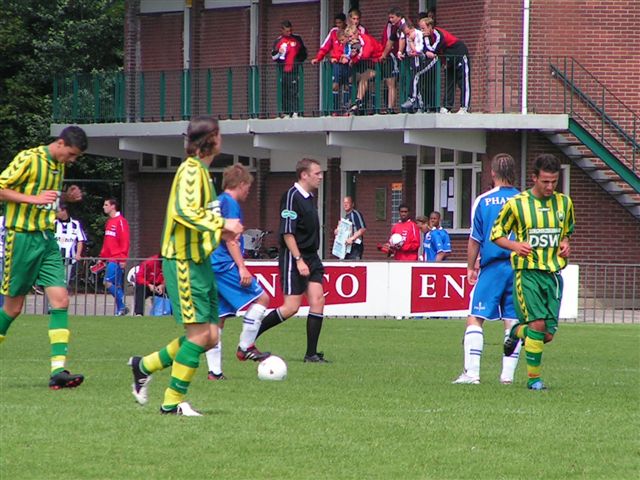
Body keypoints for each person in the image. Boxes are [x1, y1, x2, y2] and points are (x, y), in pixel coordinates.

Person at [128, 116, 243, 416]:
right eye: (220, 134)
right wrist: (222, 223)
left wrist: (221, 230)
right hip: (183, 262)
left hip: (200, 262)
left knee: (211, 336)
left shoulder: (203, 173)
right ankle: (172, 402)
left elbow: (196, 216)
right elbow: (184, 212)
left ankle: (144, 366)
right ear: (213, 139)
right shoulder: (191, 171)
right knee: (200, 336)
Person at [0, 125, 87, 389]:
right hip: (22, 238)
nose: (71, 160)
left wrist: (66, 198)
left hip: (47, 239)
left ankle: (58, 370)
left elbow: (48, 199)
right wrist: (33, 199)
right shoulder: (29, 158)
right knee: (13, 308)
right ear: (60, 144)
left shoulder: (58, 166)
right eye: (70, 154)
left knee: (61, 301)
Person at [492, 153, 575, 391]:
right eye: (545, 181)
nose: (550, 187)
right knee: (538, 325)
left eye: (554, 182)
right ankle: (534, 381)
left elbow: (566, 231)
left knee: (546, 335)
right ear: (534, 178)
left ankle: (516, 332)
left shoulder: (564, 203)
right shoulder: (517, 204)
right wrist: (516, 246)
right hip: (527, 273)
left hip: (553, 276)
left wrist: (565, 243)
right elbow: (496, 234)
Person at [452, 153, 522, 385]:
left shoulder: (483, 201)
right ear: (513, 172)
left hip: (492, 266)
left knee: (475, 318)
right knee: (512, 321)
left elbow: (475, 239)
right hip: (519, 267)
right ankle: (507, 377)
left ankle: (472, 374)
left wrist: (470, 267)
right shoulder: (525, 200)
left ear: (492, 173)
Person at [255, 158, 328, 363]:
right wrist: (298, 260)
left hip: (312, 256)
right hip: (294, 256)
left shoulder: (309, 197)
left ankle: (311, 354)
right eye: (317, 173)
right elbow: (287, 233)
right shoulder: (291, 196)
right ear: (304, 175)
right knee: (291, 307)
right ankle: (249, 338)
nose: (320, 177)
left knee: (318, 300)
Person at [205, 164, 271, 380]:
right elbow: (230, 238)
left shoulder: (215, 202)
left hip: (208, 264)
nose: (248, 191)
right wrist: (242, 266)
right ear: (241, 184)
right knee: (262, 298)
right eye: (248, 187)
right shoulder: (230, 203)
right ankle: (246, 346)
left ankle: (215, 372)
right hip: (223, 264)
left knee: (218, 318)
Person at [421, 17, 470, 113]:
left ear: (430, 27)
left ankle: (465, 107)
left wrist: (427, 51)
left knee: (463, 81)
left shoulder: (439, 34)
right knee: (449, 81)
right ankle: (447, 106)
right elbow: (423, 48)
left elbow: (433, 49)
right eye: (421, 29)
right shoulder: (426, 37)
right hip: (448, 59)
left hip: (459, 54)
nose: (422, 31)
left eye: (423, 28)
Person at [311, 16, 349, 114]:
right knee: (335, 85)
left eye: (340, 23)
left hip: (347, 64)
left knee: (347, 85)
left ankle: (346, 109)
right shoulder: (333, 32)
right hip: (336, 63)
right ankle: (335, 109)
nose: (338, 25)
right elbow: (325, 47)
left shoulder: (349, 31)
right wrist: (318, 58)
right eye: (336, 23)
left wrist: (348, 58)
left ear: (344, 22)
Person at [99, 197, 130, 316]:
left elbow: (125, 240)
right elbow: (107, 242)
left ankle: (123, 302)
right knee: (115, 284)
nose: (104, 207)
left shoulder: (121, 221)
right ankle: (121, 309)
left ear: (113, 206)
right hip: (110, 258)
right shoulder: (109, 221)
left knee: (107, 282)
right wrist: (102, 257)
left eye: (106, 205)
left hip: (116, 258)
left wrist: (123, 258)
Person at [271, 20, 307, 118]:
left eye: (290, 30)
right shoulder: (278, 41)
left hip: (294, 69)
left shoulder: (297, 39)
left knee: (294, 90)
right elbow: (273, 57)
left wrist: (298, 62)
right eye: (287, 31)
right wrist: (279, 52)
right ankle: (286, 112)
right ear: (282, 30)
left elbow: (303, 53)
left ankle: (295, 111)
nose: (289, 33)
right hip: (283, 70)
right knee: (284, 91)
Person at [346, 25, 384, 114]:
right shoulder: (353, 43)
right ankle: (352, 101)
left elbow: (365, 54)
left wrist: (354, 57)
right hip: (369, 65)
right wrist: (352, 58)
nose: (349, 39)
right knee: (352, 78)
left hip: (379, 64)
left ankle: (358, 101)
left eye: (351, 36)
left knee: (364, 77)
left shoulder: (365, 39)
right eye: (348, 37)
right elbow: (351, 55)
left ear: (356, 34)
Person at [54, 203, 87, 288]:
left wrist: (78, 254)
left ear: (64, 211)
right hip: (55, 257)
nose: (56, 214)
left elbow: (80, 240)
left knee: (65, 281)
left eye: (58, 211)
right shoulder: (53, 223)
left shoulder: (75, 224)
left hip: (69, 258)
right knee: (54, 281)